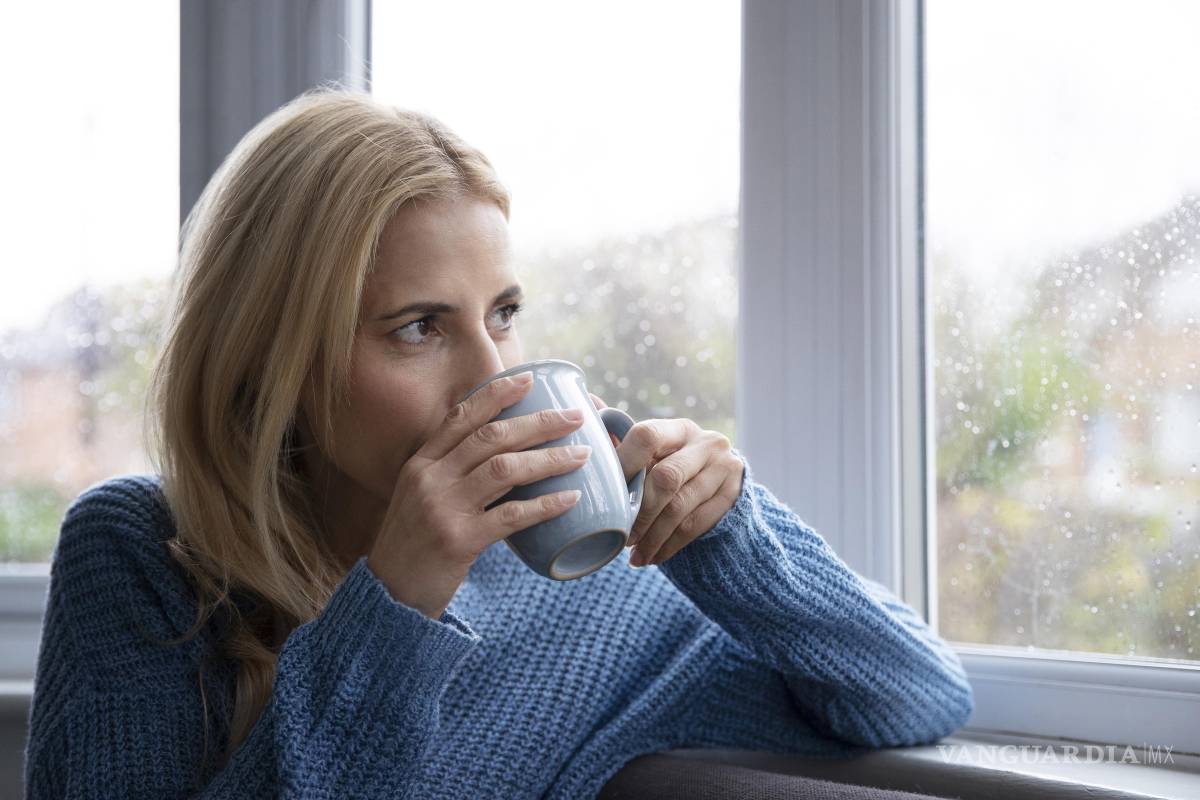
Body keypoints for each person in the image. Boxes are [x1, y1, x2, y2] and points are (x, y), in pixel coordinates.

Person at [22, 87, 973, 799]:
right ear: (275, 361)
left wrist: (735, 535)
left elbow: (915, 696)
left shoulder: (586, 584)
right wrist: (395, 605)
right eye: (418, 327)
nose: (492, 377)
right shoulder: (142, 551)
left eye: (504, 313)